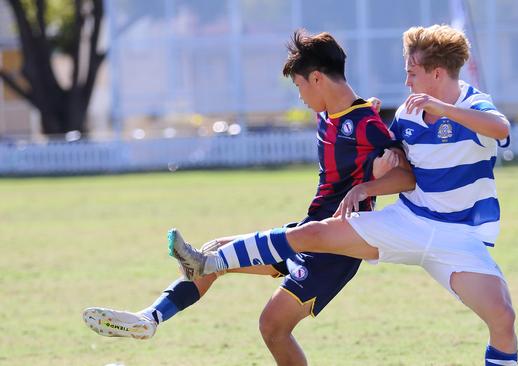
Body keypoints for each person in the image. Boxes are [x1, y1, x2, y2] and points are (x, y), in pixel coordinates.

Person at [169, 24, 518, 365]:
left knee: (502, 319)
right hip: (408, 222)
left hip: (459, 238)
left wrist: (444, 110)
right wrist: (370, 181)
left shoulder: (474, 104)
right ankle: (211, 262)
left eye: (412, 72)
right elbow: (397, 164)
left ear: (437, 73)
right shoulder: (410, 112)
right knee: (312, 233)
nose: (407, 81)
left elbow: (500, 128)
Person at [83, 29, 408, 366]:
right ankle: (150, 319)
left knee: (272, 326)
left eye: (298, 87)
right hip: (306, 232)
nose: (299, 97)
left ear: (316, 79)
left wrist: (368, 186)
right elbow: (349, 121)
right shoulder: (333, 113)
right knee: (212, 252)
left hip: (334, 249)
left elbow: (407, 175)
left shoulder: (367, 124)